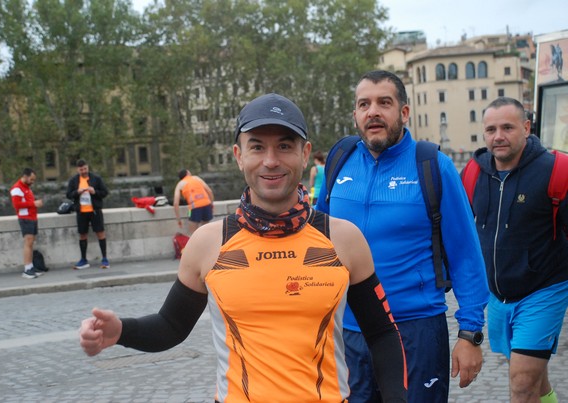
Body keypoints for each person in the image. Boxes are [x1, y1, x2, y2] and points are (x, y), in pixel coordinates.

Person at [79, 93, 408, 402]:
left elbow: (381, 333)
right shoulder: (208, 243)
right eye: (257, 147)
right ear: (239, 156)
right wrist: (120, 330)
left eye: (284, 146)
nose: (270, 161)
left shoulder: (343, 239)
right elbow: (171, 326)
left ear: (305, 153)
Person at [315, 70, 489, 403]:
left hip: (415, 331)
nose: (373, 112)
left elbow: (466, 254)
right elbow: (317, 239)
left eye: (384, 102)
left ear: (404, 112)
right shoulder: (340, 161)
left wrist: (470, 334)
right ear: (355, 114)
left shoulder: (433, 166)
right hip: (350, 331)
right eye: (364, 104)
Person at [463, 97, 568, 403]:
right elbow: (457, 229)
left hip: (544, 290)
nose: (498, 136)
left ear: (525, 127)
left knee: (521, 383)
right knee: (534, 380)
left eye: (507, 127)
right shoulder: (473, 173)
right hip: (498, 295)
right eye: (491, 129)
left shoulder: (555, 171)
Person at [66, 159, 110, 270]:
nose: (84, 171)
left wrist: (94, 192)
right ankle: (83, 259)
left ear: (88, 167)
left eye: (85, 169)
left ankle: (105, 259)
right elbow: (68, 194)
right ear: (77, 170)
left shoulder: (96, 178)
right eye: (81, 169)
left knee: (100, 233)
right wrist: (77, 192)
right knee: (82, 234)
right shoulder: (74, 180)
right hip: (81, 212)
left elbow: (105, 192)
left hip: (95, 210)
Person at [10, 168, 44, 279]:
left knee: (30, 243)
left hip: (31, 217)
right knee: (28, 242)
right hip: (26, 218)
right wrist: (34, 203)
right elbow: (17, 205)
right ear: (25, 176)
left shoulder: (26, 188)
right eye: (32, 179)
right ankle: (27, 269)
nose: (32, 182)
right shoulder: (17, 188)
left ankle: (30, 266)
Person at [172, 169, 214, 234]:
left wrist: (179, 220)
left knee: (193, 232)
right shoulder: (196, 178)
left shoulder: (180, 184)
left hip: (193, 208)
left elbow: (175, 203)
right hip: (206, 205)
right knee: (206, 230)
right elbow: (209, 191)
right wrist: (211, 204)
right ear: (188, 173)